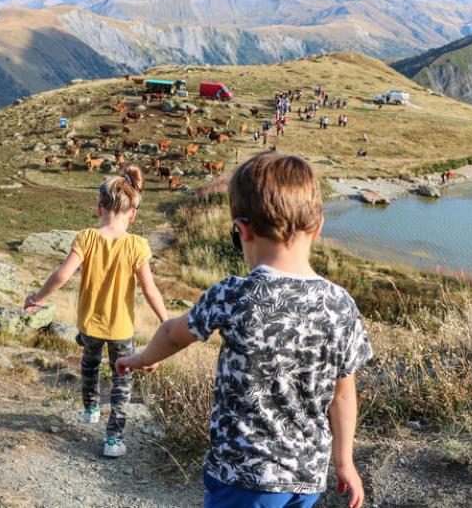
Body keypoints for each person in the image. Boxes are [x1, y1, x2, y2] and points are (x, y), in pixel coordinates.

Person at [118, 152, 372, 508]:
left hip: (242, 476)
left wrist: (140, 358)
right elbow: (343, 395)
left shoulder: (233, 294)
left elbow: (173, 333)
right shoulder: (340, 304)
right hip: (307, 477)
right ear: (318, 227)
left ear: (243, 229)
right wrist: (344, 462)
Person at [24, 166, 168, 458]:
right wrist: (166, 322)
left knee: (89, 364)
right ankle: (113, 440)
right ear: (133, 214)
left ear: (99, 207)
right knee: (122, 379)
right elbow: (150, 290)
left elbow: (62, 275)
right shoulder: (137, 245)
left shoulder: (87, 237)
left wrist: (37, 297)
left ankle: (90, 407)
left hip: (89, 324)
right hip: (122, 328)